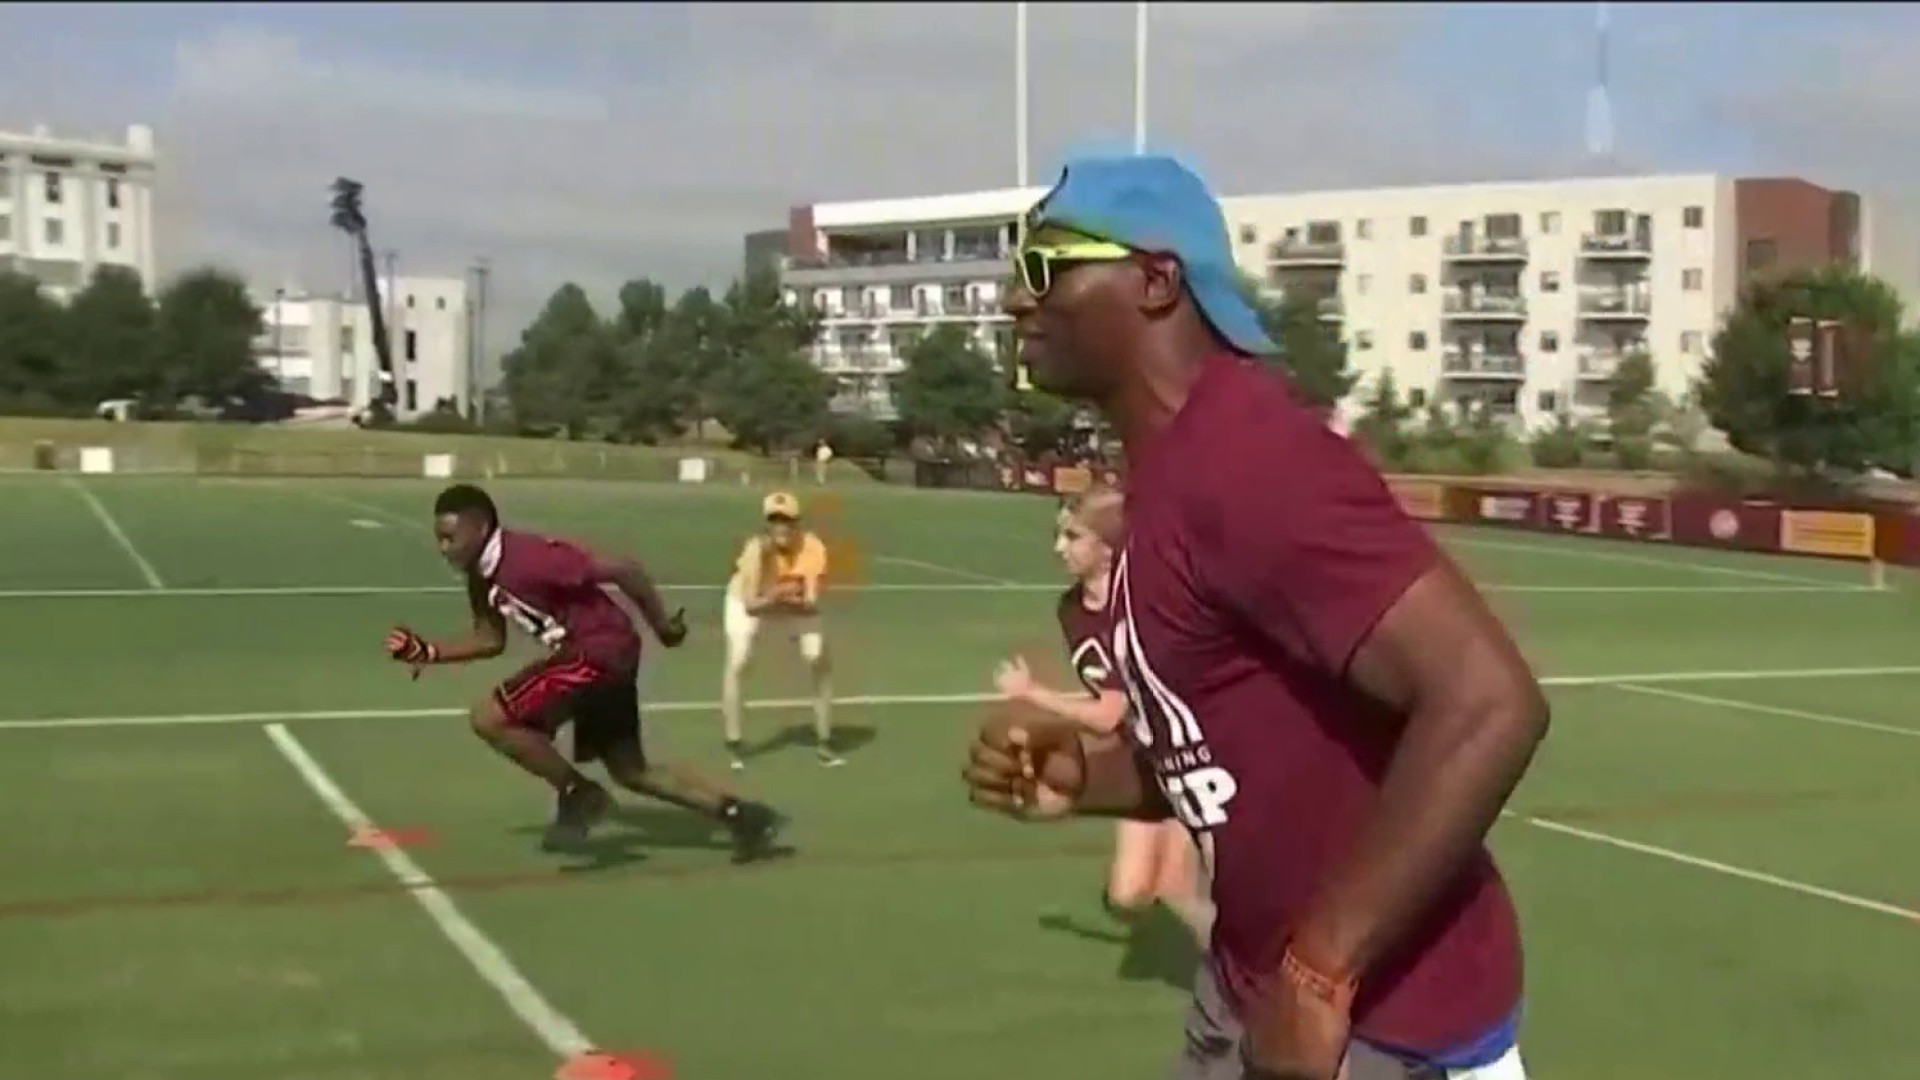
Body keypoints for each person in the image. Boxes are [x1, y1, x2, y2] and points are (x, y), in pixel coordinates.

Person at [962, 155, 1548, 1080]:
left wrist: (1321, 974)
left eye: (1045, 267)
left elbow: (1489, 702)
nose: (1014, 300)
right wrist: (1087, 773)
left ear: (1155, 281)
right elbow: (1221, 755)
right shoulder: (1164, 480)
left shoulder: (1250, 459)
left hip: (1387, 1025)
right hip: (1252, 990)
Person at [386, 483, 784, 859]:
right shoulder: (481, 575)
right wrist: (428, 651)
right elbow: (491, 639)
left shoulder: (531, 558)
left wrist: (662, 626)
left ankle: (579, 793)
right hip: (601, 655)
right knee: (632, 771)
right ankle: (740, 816)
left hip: (598, 651)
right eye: (439, 538)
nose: (443, 548)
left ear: (481, 527)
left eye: (450, 537)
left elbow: (624, 568)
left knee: (490, 717)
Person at [993, 484, 1213, 944]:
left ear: (1108, 546)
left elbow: (1107, 715)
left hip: (1195, 752)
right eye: (1058, 535)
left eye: (1072, 537)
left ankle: (1251, 988)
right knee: (1129, 897)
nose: (1059, 548)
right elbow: (1109, 703)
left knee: (1178, 891)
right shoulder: (1072, 609)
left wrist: (1032, 694)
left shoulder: (1144, 603)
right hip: (1146, 753)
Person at [720, 491, 841, 770]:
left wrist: (785, 597)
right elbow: (750, 604)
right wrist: (777, 594)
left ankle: (824, 740)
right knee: (739, 658)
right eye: (774, 521)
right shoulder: (756, 550)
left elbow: (810, 604)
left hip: (789, 605)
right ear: (767, 524)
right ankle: (734, 741)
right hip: (748, 602)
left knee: (816, 655)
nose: (781, 527)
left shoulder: (812, 548)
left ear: (796, 523)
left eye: (786, 520)